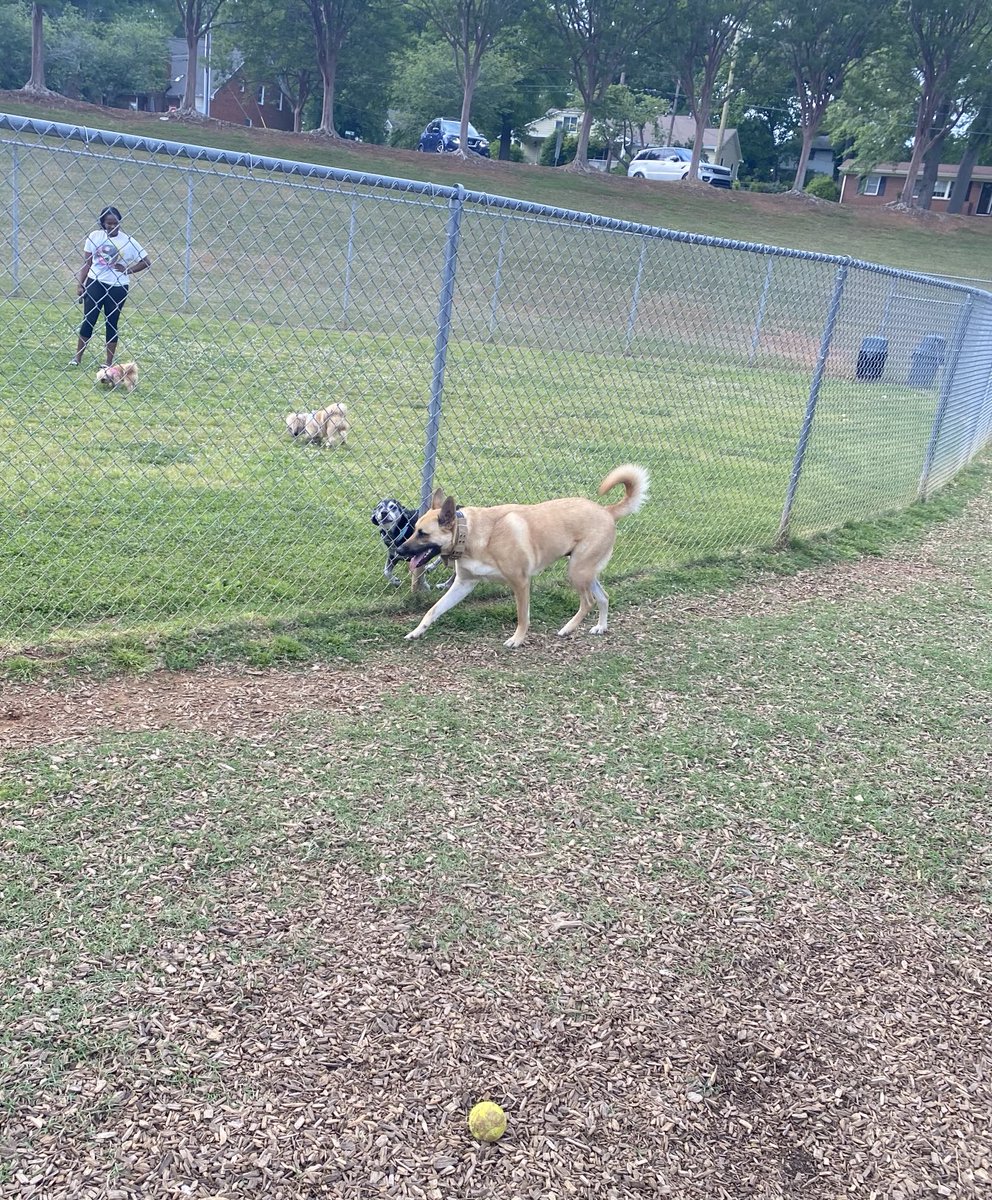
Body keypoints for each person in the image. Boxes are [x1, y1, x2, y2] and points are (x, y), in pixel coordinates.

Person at [70, 206, 151, 368]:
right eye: (109, 223)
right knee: (89, 320)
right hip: (95, 283)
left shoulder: (128, 241)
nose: (112, 226)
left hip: (118, 287)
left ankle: (108, 362)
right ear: (102, 223)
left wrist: (128, 270)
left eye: (116, 223)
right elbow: (88, 263)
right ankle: (77, 358)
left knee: (111, 322)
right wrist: (81, 284)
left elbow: (146, 261)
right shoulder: (95, 236)